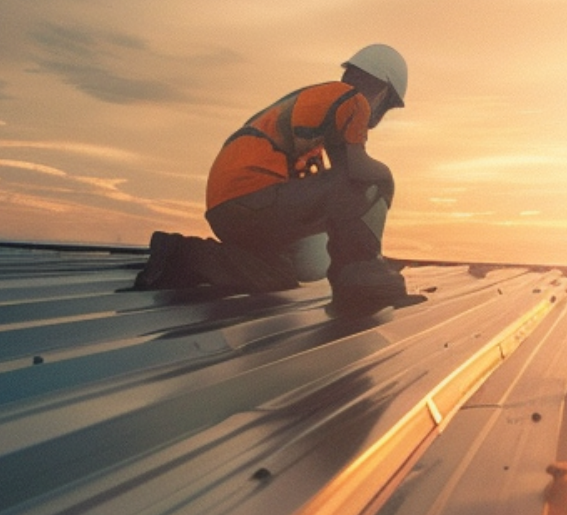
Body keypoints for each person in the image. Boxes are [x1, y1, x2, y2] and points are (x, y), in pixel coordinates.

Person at [133, 44, 414, 315]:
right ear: (383, 91)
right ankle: (360, 280)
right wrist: (386, 183)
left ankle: (181, 255)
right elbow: (354, 174)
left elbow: (328, 194)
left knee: (279, 275)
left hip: (230, 207)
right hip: (248, 195)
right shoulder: (351, 99)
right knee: (367, 183)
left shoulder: (322, 105)